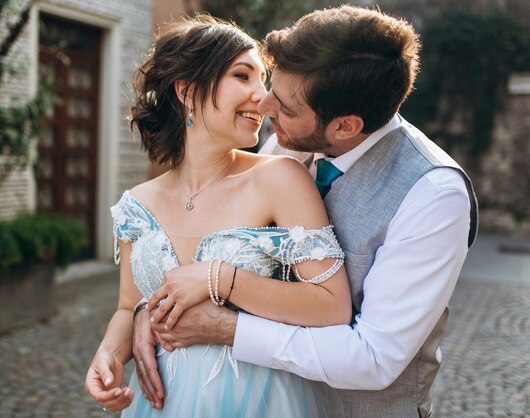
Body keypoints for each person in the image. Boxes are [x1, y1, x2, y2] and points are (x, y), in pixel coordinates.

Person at [135, 6, 479, 418]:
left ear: (345, 127)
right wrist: (150, 312)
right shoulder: (285, 144)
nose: (263, 106)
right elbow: (224, 246)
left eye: (284, 106)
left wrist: (229, 329)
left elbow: (373, 358)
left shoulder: (433, 195)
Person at [84, 15, 353, 417]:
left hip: (259, 399)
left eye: (263, 81)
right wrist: (107, 354)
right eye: (243, 76)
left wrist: (219, 280)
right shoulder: (135, 206)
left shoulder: (280, 178)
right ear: (188, 90)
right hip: (161, 403)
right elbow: (130, 307)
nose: (263, 98)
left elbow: (332, 307)